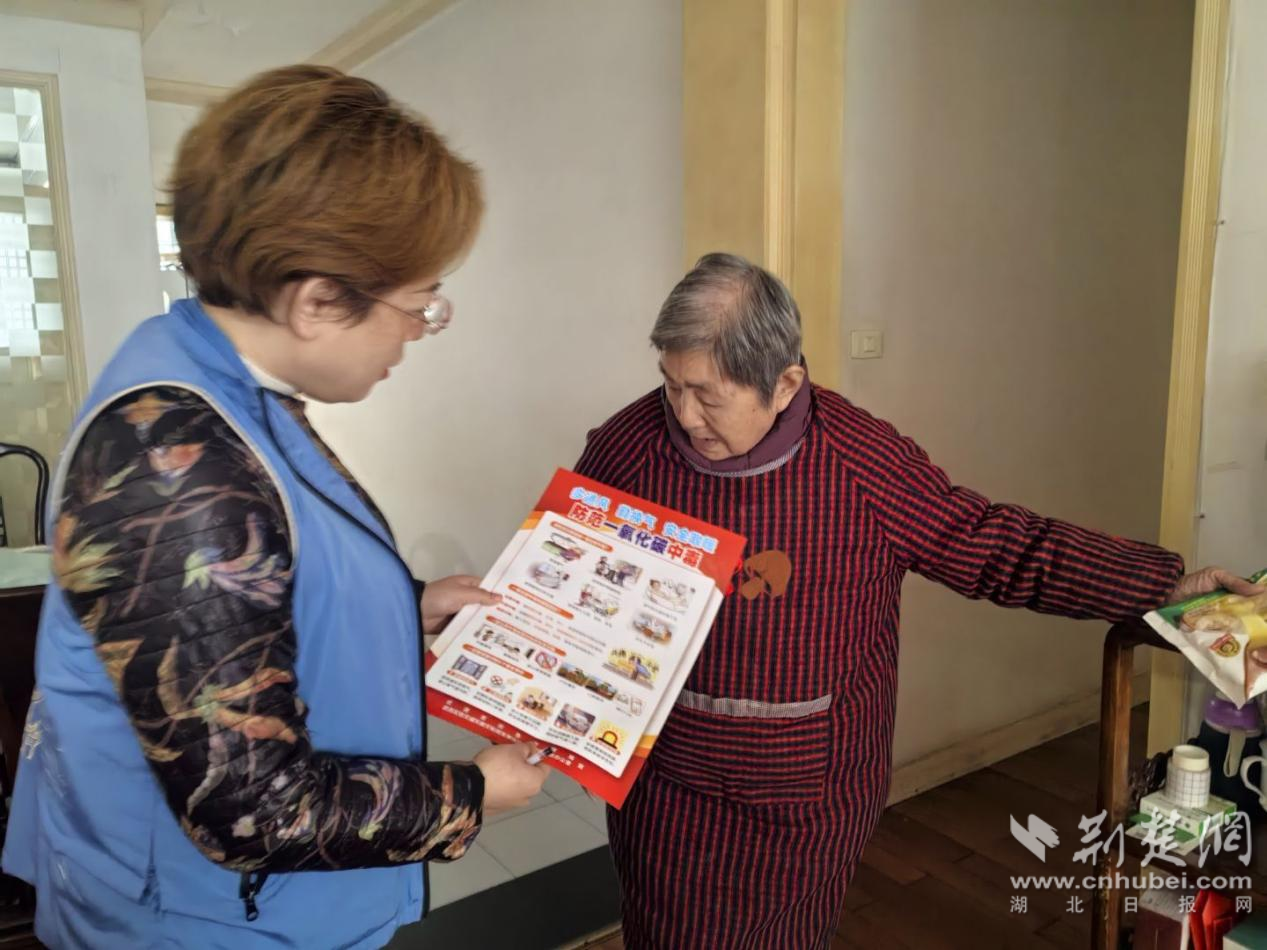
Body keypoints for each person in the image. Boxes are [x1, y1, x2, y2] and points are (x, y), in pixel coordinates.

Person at [1, 66, 548, 949]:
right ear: (316, 299)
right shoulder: (171, 465)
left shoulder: (221, 380)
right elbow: (254, 808)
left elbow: (242, 590)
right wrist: (473, 794)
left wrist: (402, 605)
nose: (420, 329)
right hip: (199, 924)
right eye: (419, 306)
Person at [573, 252, 1262, 949]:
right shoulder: (627, 448)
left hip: (801, 792)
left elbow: (997, 547)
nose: (684, 415)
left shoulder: (859, 462)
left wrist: (1156, 584)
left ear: (783, 385)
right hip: (663, 783)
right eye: (671, 385)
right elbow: (568, 586)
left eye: (707, 395)